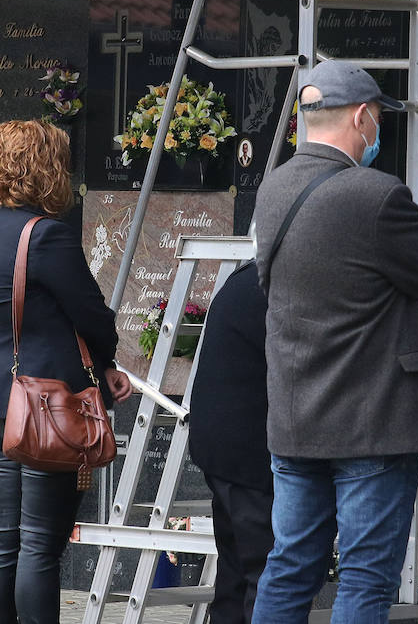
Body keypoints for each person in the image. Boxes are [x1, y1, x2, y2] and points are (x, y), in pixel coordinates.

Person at [251, 61, 418, 623]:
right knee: (367, 578)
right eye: (378, 123)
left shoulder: (272, 187)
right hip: (369, 422)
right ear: (364, 117)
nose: (378, 135)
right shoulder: (375, 195)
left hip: (296, 420)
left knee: (290, 565)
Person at [0, 119, 133, 624]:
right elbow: (93, 315)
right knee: (40, 545)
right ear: (48, 169)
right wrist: (107, 362)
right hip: (46, 407)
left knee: (3, 537)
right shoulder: (47, 235)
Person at [189, 259, 274, 624]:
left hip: (223, 447)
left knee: (235, 573)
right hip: (248, 452)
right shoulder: (273, 286)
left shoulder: (248, 277)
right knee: (266, 574)